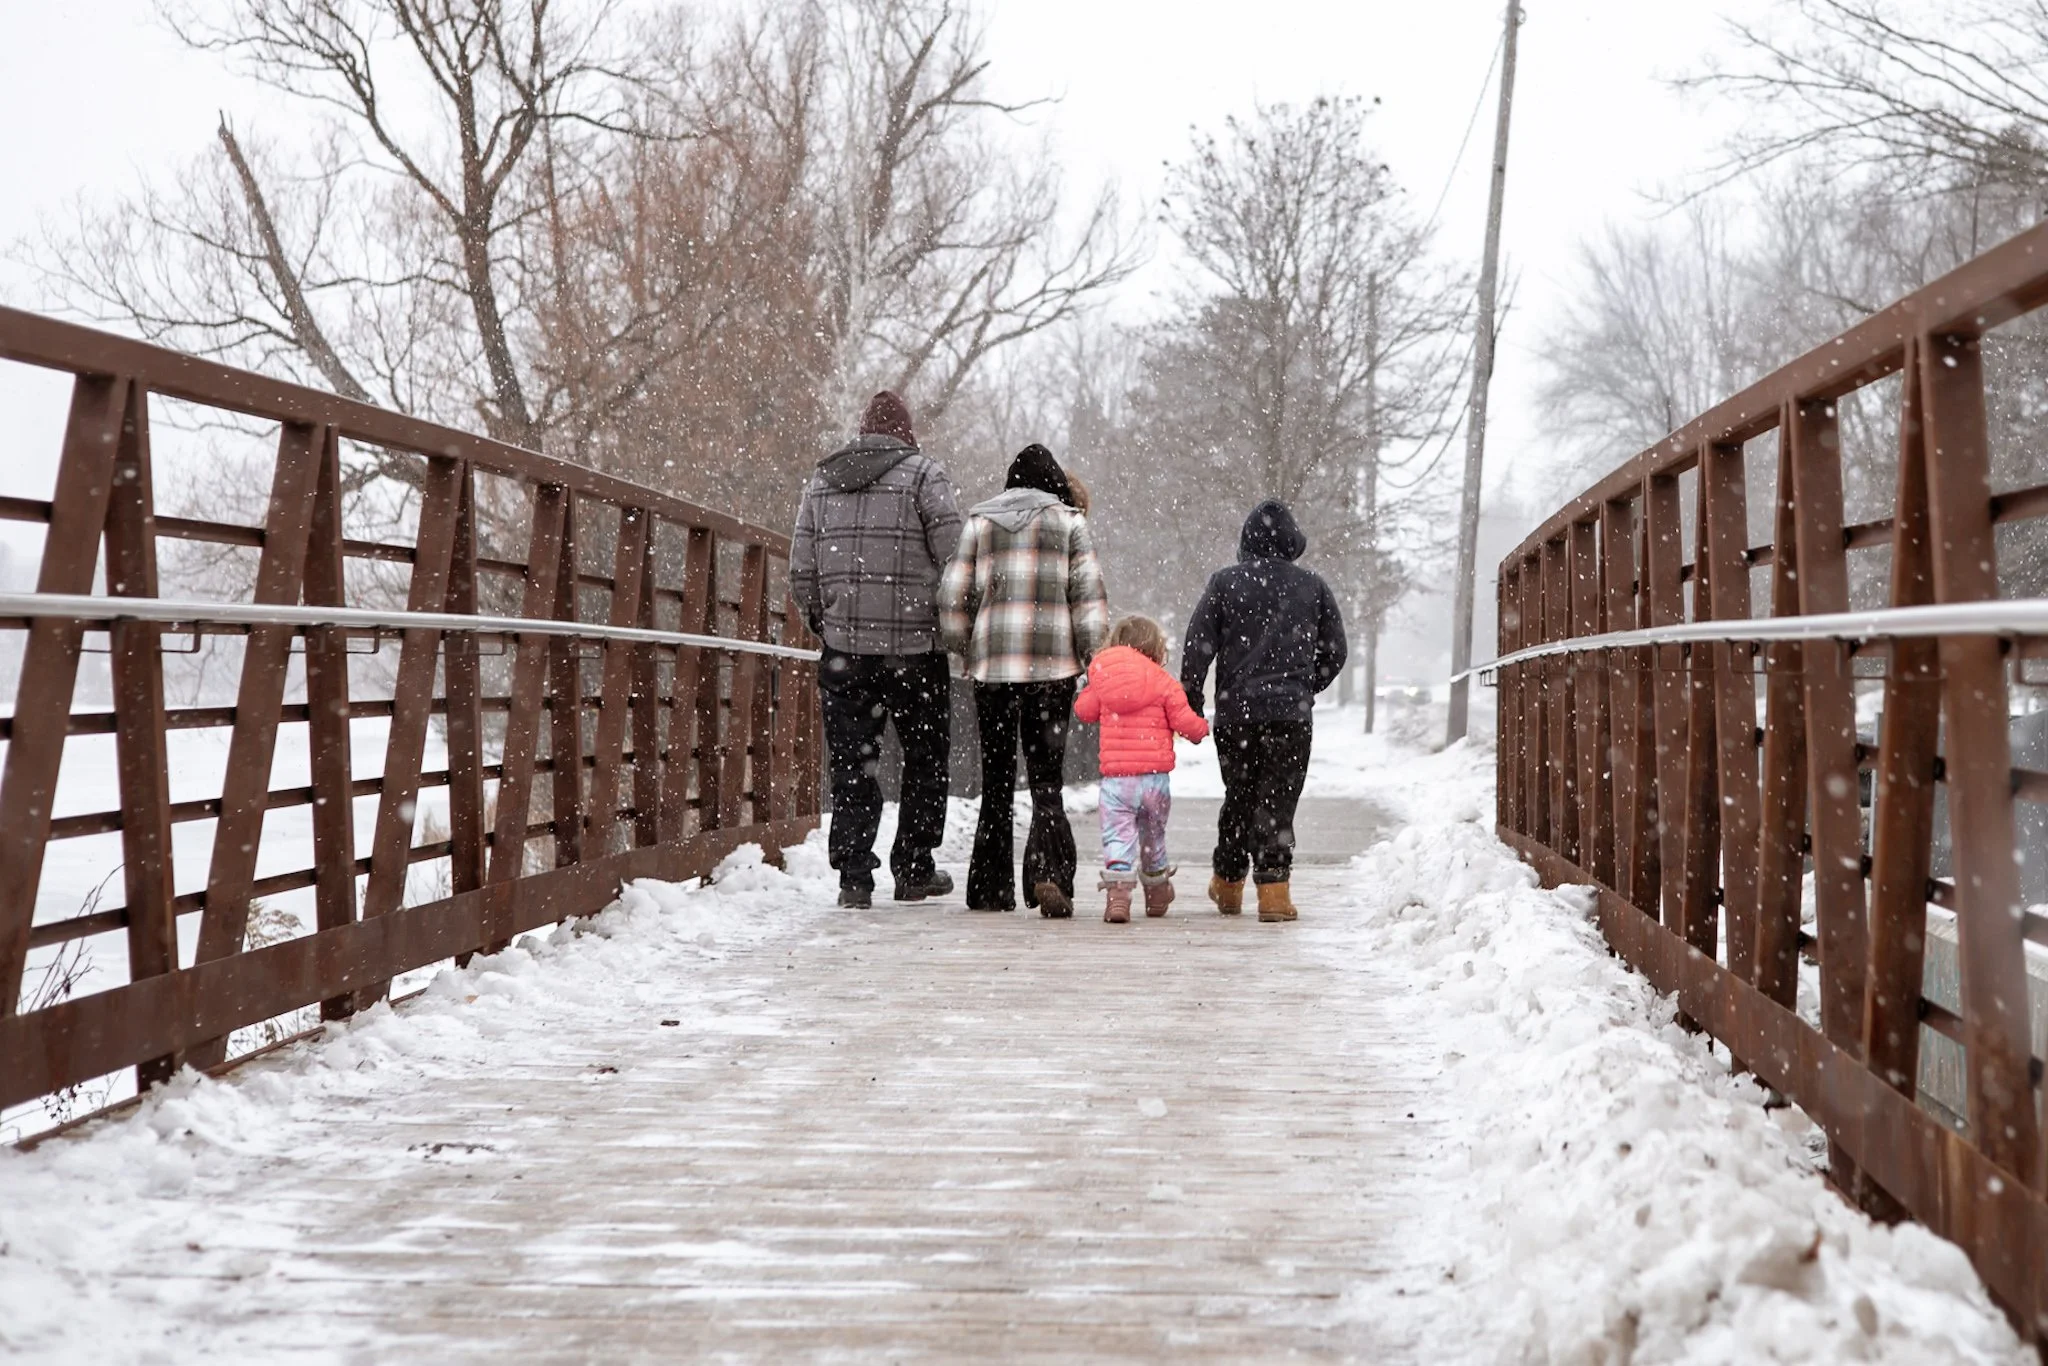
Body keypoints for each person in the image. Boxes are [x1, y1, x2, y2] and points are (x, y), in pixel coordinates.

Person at [789, 390, 963, 910]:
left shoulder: (821, 481)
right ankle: (913, 868)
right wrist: (943, 621)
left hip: (846, 654)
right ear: (906, 433)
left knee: (851, 763)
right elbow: (958, 559)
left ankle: (854, 877)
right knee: (925, 759)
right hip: (915, 653)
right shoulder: (925, 476)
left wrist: (826, 622)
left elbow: (801, 569)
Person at [938, 443, 1109, 916]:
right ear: (1054, 482)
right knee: (1046, 780)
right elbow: (1088, 598)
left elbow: (953, 596)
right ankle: (1050, 873)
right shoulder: (1071, 523)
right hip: (1052, 671)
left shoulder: (980, 523)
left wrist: (966, 647)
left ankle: (990, 890)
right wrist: (1092, 657)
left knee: (995, 781)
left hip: (993, 672)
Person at [1180, 500, 1346, 923]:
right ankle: (1273, 891)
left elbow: (1198, 643)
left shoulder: (1225, 584)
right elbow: (1336, 651)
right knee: (1277, 800)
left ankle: (1229, 883)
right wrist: (1305, 686)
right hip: (1290, 716)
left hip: (1237, 714)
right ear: (1292, 541)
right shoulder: (1312, 586)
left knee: (1240, 796)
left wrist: (1193, 695)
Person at [1072, 614, 1209, 923]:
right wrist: (1201, 729)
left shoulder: (1102, 675)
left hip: (1117, 782)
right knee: (1153, 836)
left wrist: (1087, 687)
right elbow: (1185, 723)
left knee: (1118, 838)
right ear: (1154, 646)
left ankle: (1118, 897)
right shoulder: (1163, 681)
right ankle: (1158, 891)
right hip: (1154, 781)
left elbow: (1084, 711)